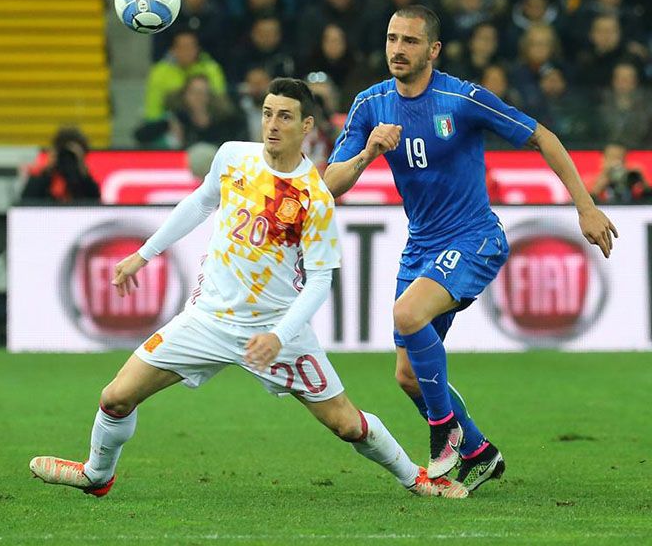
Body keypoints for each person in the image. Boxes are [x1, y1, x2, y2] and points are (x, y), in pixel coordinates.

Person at [28, 78, 468, 500]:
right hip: (208, 320)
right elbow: (201, 201)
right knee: (115, 397)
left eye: (285, 117)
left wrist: (278, 335)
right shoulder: (233, 157)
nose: (273, 125)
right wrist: (144, 254)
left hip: (278, 332)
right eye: (267, 114)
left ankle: (418, 479)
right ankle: (96, 474)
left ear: (307, 127)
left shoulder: (314, 197)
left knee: (347, 424)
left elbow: (319, 282)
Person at [323, 5, 618, 490]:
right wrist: (368, 152)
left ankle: (444, 434)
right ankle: (479, 451)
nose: (398, 49)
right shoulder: (369, 105)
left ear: (433, 50)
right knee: (408, 376)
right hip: (421, 246)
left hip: (474, 238)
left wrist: (584, 206)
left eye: (410, 41)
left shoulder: (461, 98)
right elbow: (330, 185)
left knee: (407, 314)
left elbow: (542, 137)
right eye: (392, 38)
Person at [20, 127, 101, 203]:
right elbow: (25, 202)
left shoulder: (84, 181)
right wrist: (48, 170)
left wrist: (84, 174)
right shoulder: (42, 178)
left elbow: (95, 203)